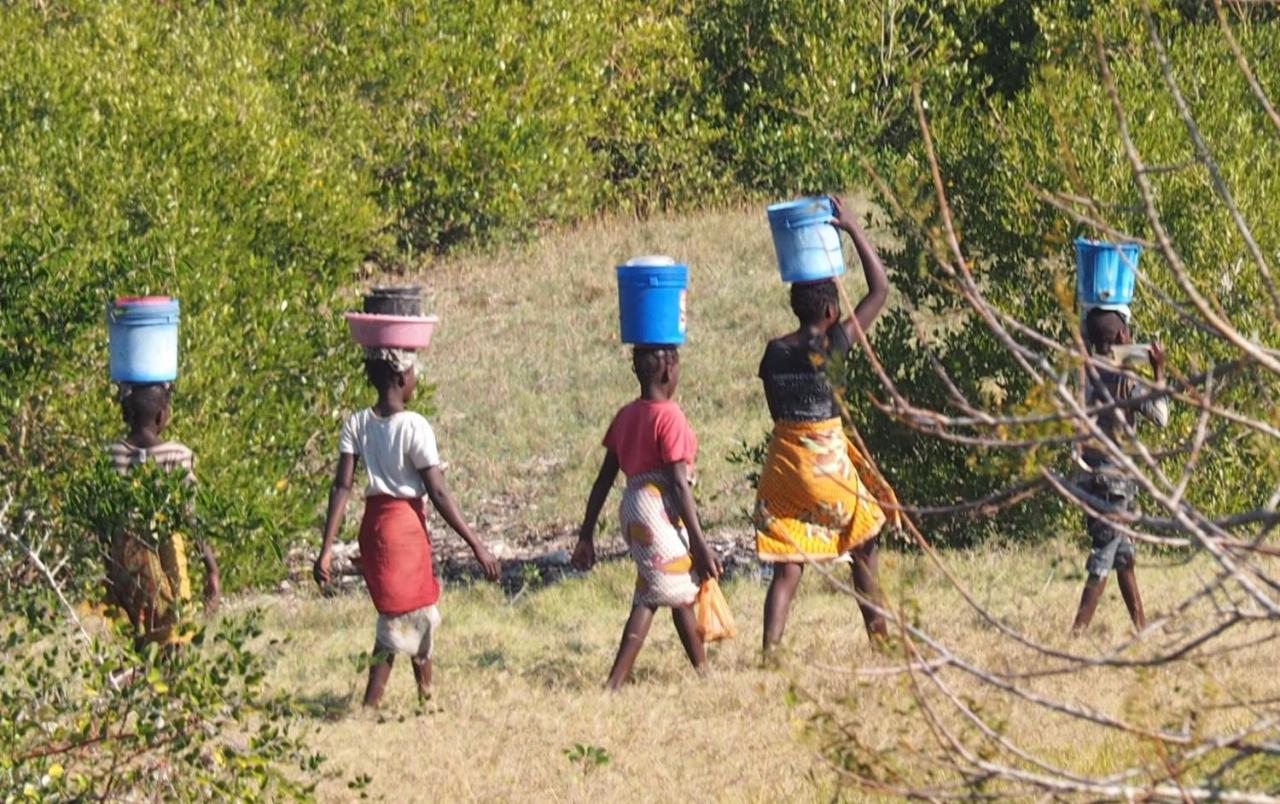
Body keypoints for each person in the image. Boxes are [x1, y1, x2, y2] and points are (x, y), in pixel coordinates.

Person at [313, 347, 500, 707]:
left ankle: (422, 698)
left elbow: (342, 487)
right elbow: (439, 492)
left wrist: (326, 549)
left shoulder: (357, 424)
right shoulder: (414, 425)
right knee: (406, 614)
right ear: (401, 379)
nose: (415, 381)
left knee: (407, 611)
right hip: (405, 531)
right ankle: (376, 704)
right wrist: (477, 545)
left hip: (376, 530)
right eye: (413, 375)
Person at [754, 194, 898, 656]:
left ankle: (771, 653)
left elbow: (778, 410)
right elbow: (881, 290)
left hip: (784, 467)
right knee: (864, 537)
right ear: (832, 312)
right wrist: (854, 230)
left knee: (788, 561)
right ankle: (881, 641)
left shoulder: (774, 352)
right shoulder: (834, 343)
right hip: (826, 461)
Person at [572, 346, 722, 690]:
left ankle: (703, 673)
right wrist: (700, 544)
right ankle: (614, 684)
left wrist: (586, 534)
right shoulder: (669, 416)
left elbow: (604, 478)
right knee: (662, 591)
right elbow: (679, 484)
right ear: (668, 371)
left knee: (667, 588)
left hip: (633, 505)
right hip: (657, 508)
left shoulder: (626, 415)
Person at [1071, 308, 1168, 633]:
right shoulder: (1126, 378)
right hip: (1115, 478)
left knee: (1122, 553)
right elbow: (1161, 417)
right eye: (1126, 332)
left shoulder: (1084, 370)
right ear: (1121, 338)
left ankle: (1141, 628)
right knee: (1105, 553)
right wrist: (1158, 373)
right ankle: (1076, 634)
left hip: (1088, 473)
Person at [106, 382, 221, 650]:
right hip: (168, 554)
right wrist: (211, 568)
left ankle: (134, 683)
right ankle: (171, 685)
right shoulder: (177, 455)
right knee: (174, 628)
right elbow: (191, 516)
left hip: (124, 558)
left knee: (133, 629)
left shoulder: (112, 455)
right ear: (161, 415)